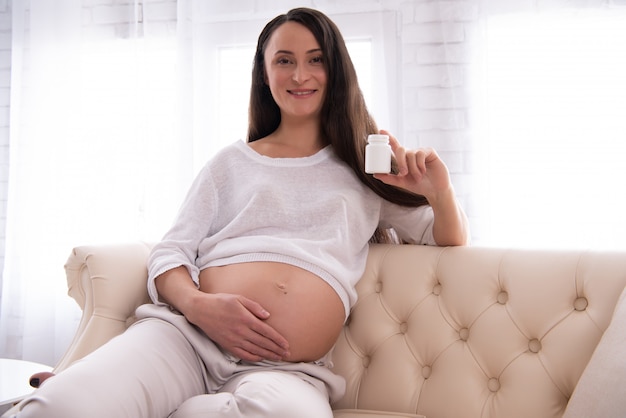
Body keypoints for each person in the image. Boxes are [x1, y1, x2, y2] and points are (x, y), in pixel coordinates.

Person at [5, 7, 469, 418]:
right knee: (59, 408)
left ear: (337, 71)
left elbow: (443, 239)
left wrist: (439, 193)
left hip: (289, 371)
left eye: (315, 59)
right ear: (265, 74)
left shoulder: (368, 172)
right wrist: (200, 306)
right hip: (184, 339)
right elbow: (171, 254)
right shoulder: (230, 164)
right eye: (284, 60)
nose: (300, 75)